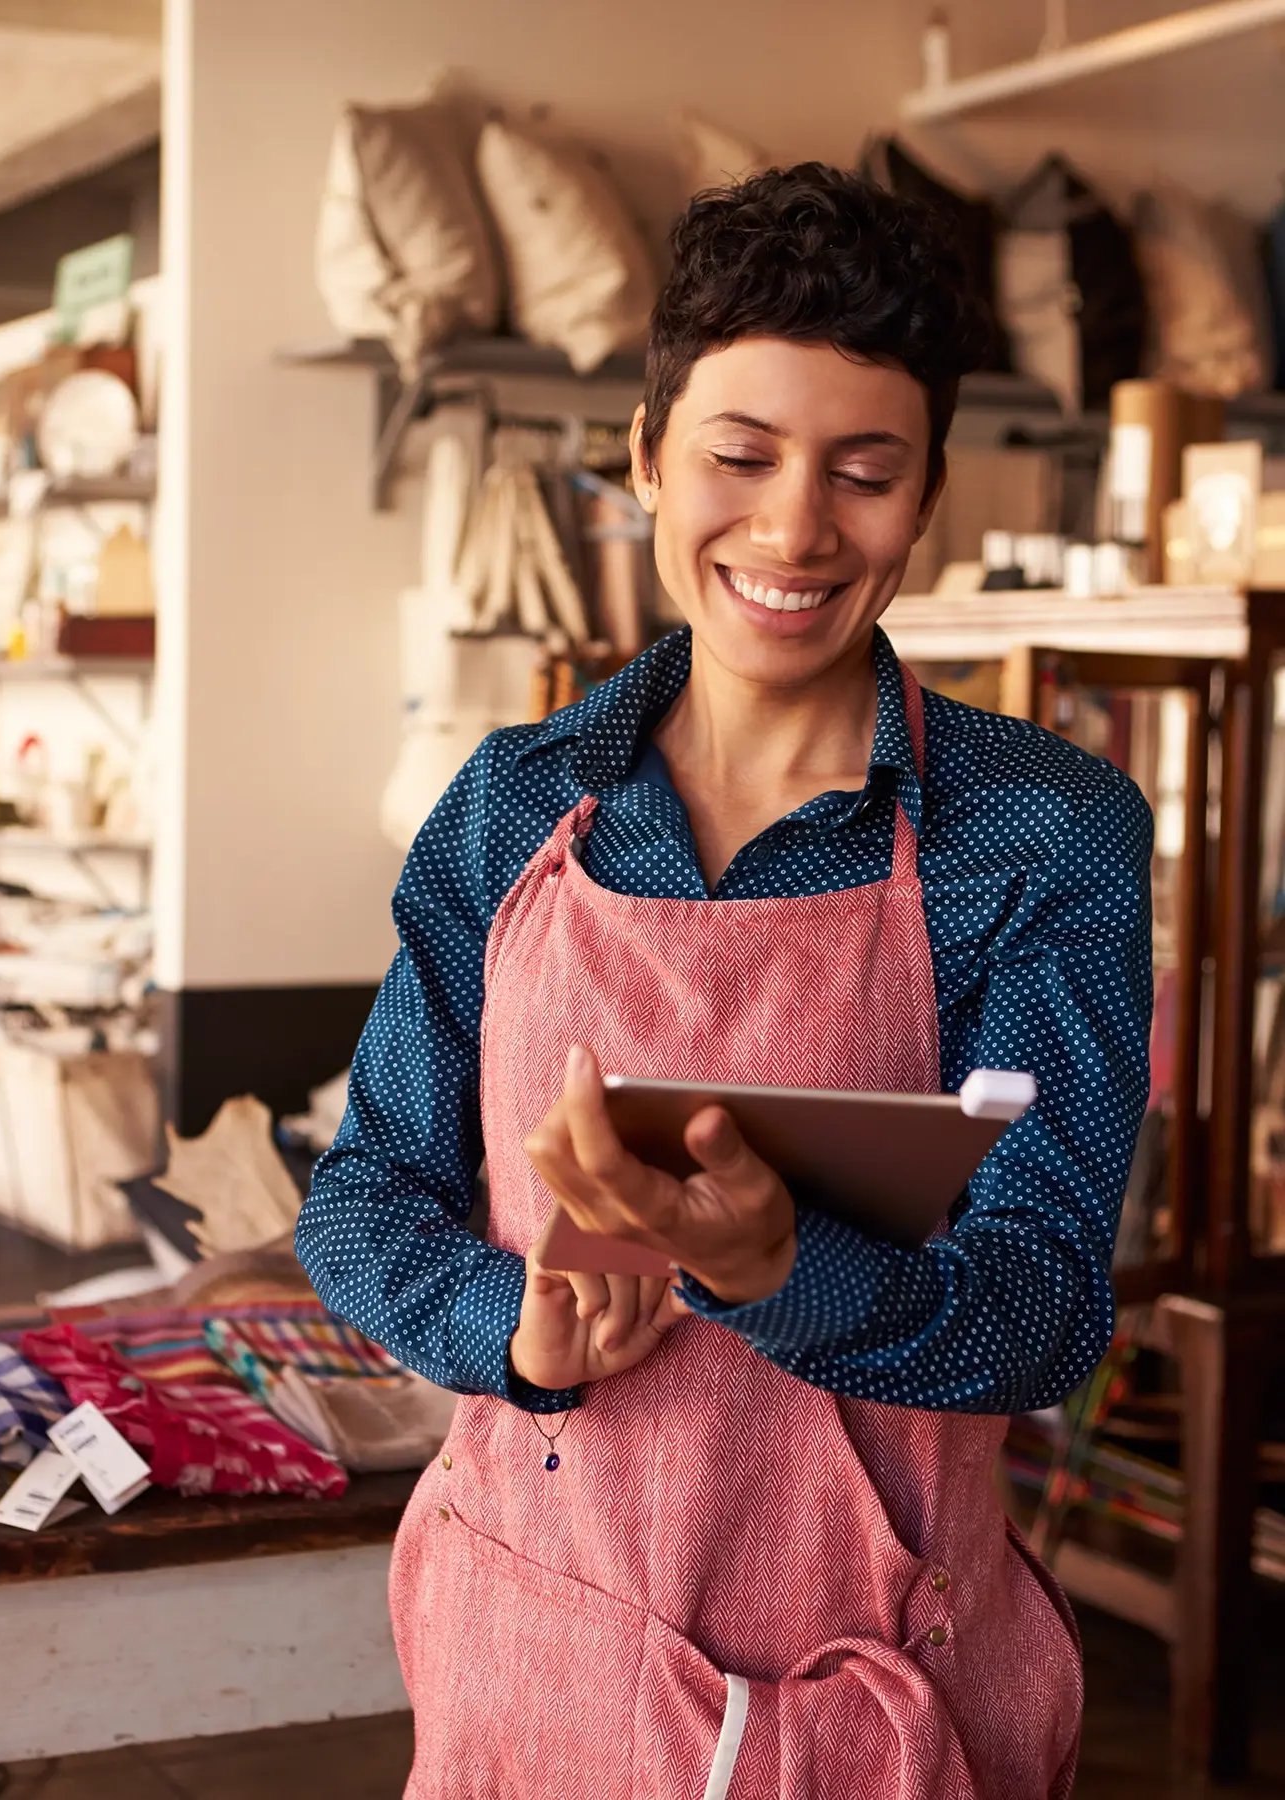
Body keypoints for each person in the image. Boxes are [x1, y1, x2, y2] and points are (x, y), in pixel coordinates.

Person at [296, 163, 1152, 1797]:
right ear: (642, 459)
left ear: (930, 499)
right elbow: (363, 1199)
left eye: (863, 473)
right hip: (532, 1653)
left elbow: (1045, 1313)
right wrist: (519, 1328)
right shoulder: (509, 807)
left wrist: (780, 1270)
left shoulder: (1046, 840)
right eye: (740, 458)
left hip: (869, 1686)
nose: (792, 529)